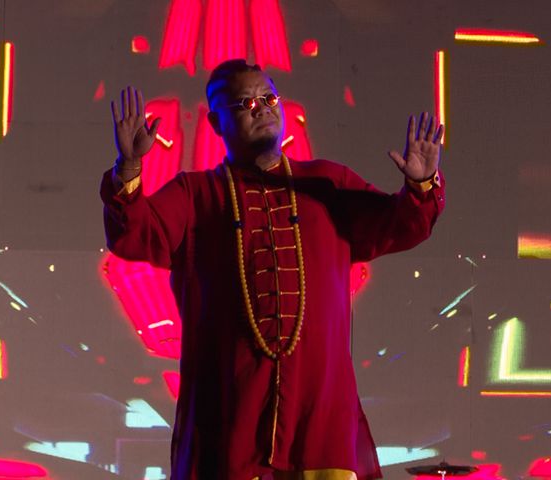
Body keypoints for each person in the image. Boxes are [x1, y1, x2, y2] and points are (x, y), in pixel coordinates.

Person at [100, 59, 445, 480]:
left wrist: (421, 185)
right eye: (246, 103)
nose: (262, 108)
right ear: (216, 122)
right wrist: (129, 168)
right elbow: (133, 235)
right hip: (231, 419)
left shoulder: (327, 183)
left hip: (318, 419)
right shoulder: (196, 194)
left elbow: (400, 225)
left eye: (269, 98)